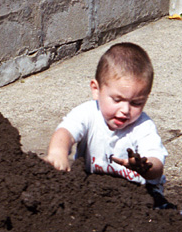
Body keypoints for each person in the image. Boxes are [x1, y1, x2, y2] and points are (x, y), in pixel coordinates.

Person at [44, 42, 171, 208]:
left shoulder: (143, 126)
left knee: (159, 214)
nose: (125, 110)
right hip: (93, 188)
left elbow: (157, 165)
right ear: (96, 89)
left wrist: (144, 166)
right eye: (117, 100)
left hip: (139, 195)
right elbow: (65, 132)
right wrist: (58, 153)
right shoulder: (88, 113)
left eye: (137, 103)